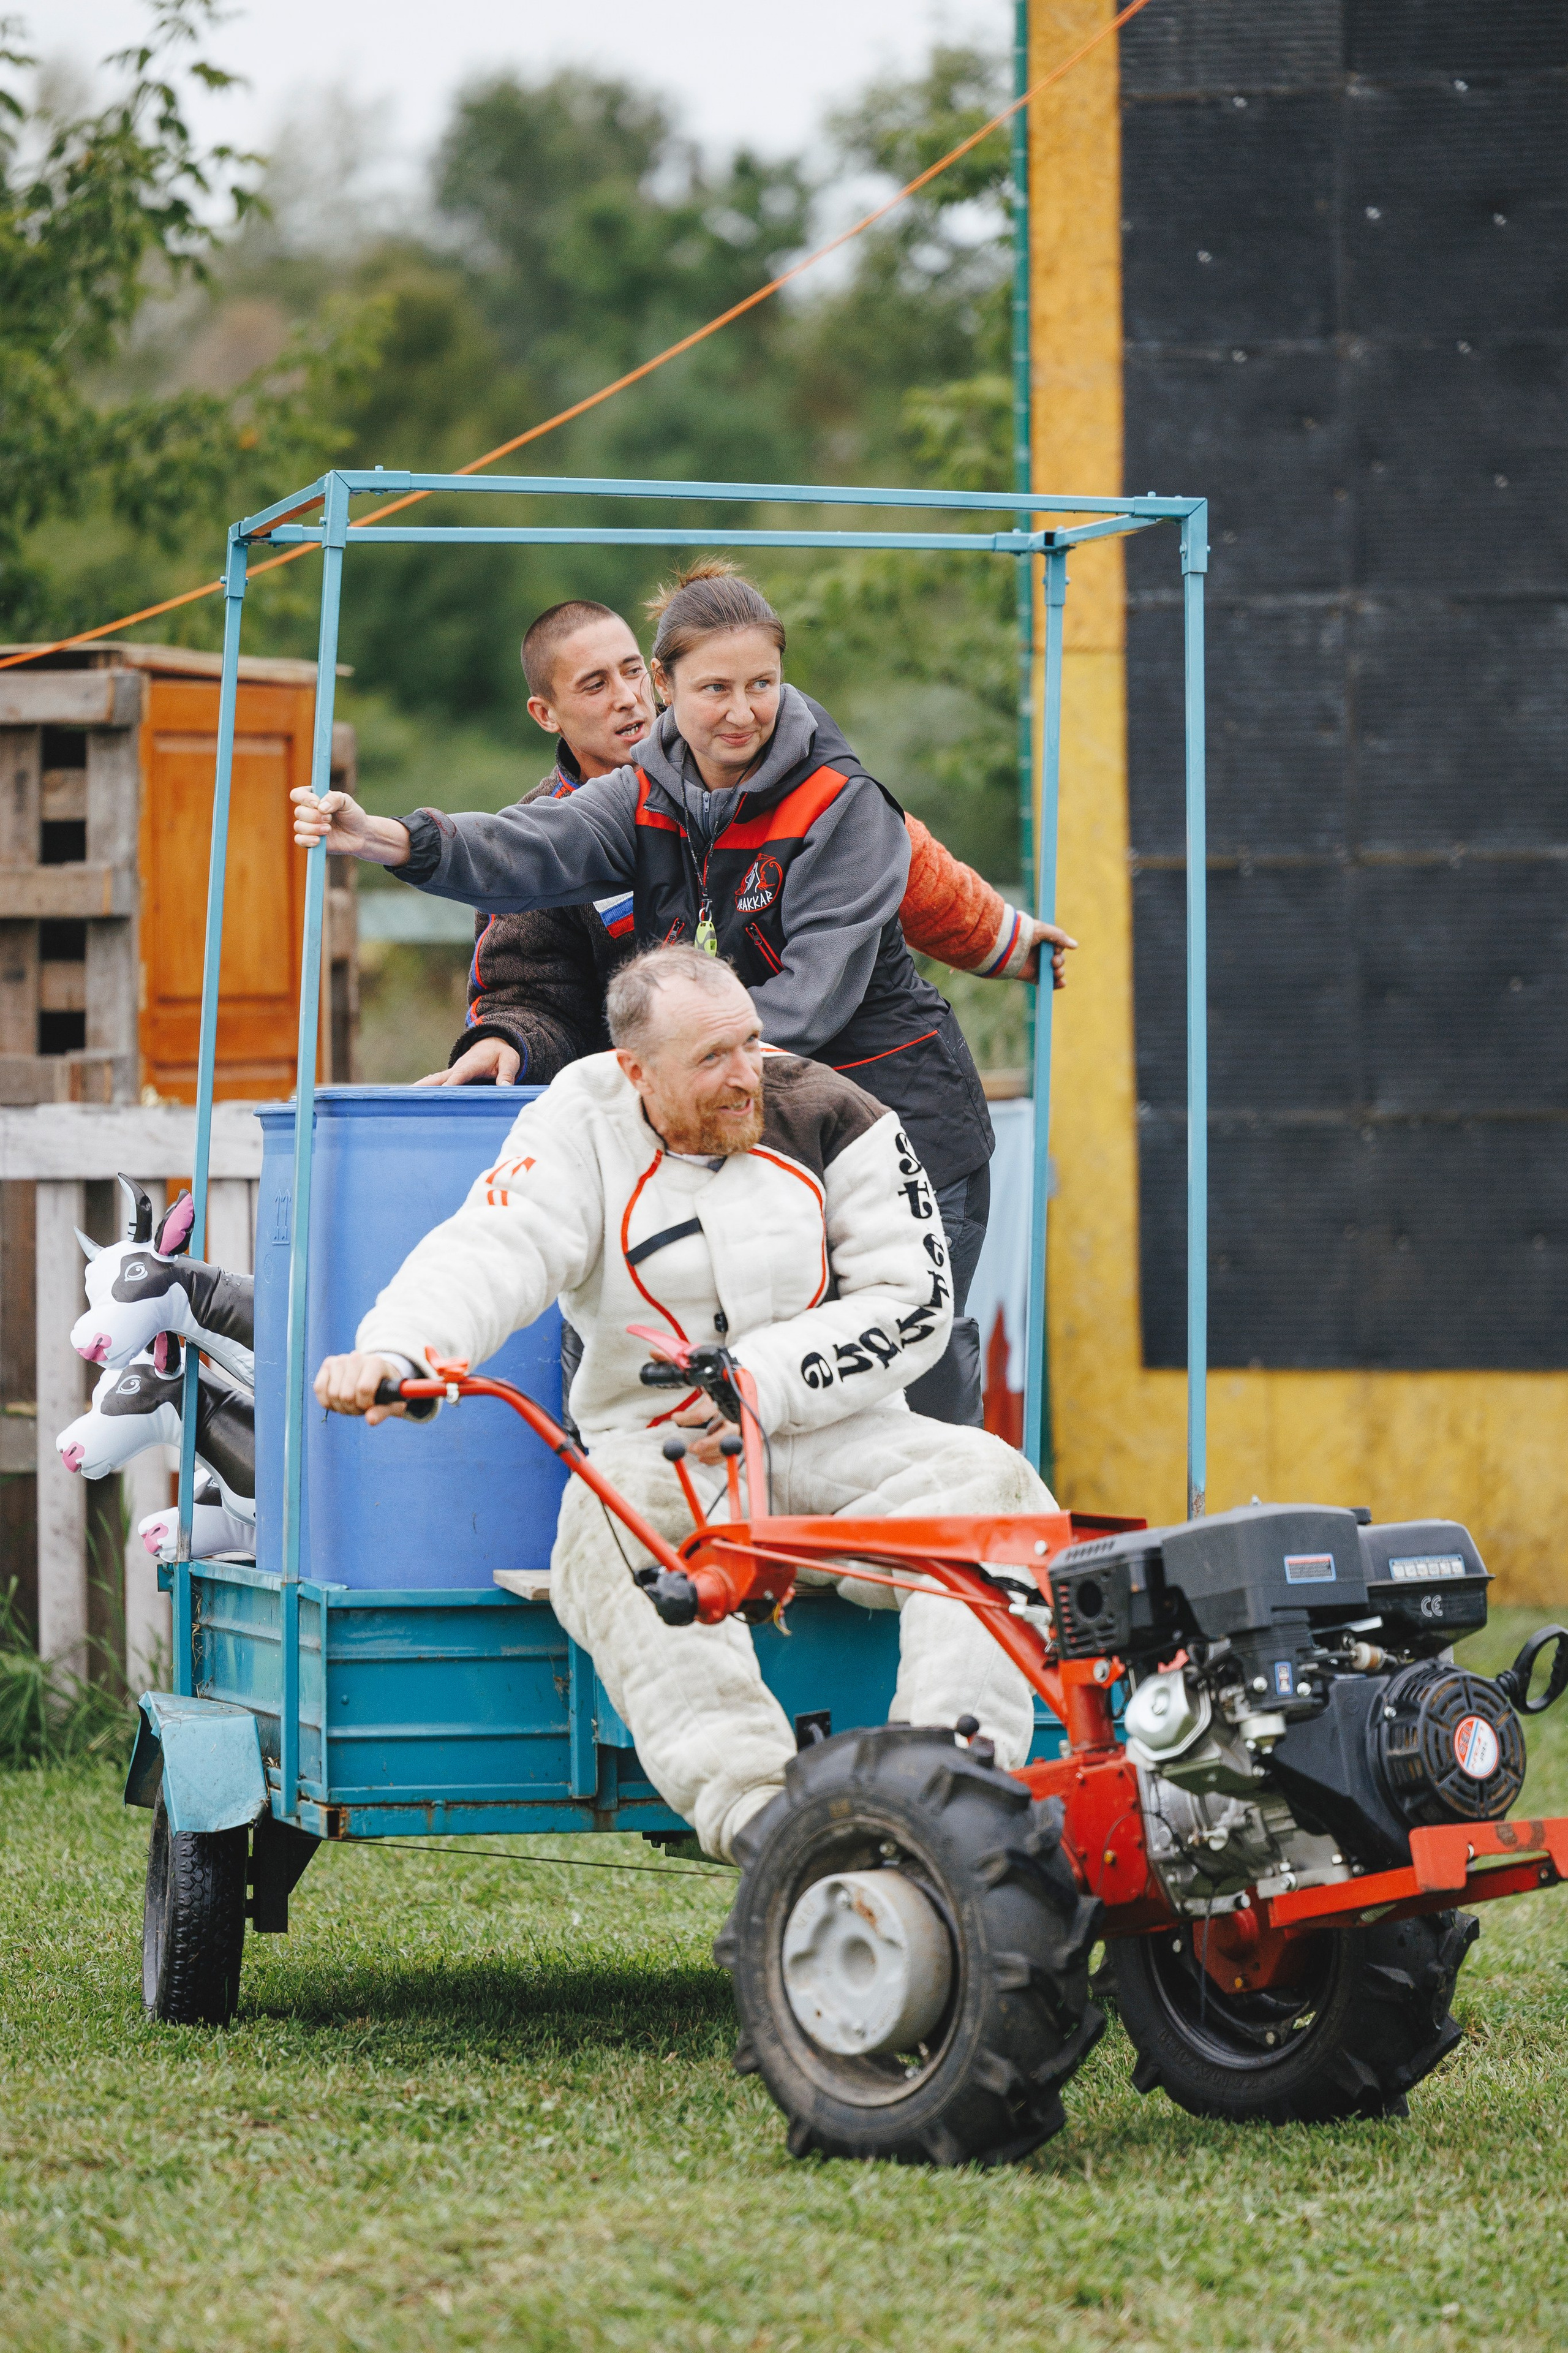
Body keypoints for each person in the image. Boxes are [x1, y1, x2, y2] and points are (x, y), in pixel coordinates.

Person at [314, 946, 1056, 1862]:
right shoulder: (576, 1122)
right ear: (636, 1071)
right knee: (609, 1524)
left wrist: (758, 1380)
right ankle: (760, 1818)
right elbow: (493, 1246)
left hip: (836, 1435)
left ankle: (954, 1794)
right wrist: (399, 1349)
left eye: (751, 1043)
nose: (748, 1076)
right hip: (663, 1452)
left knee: (992, 1484)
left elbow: (915, 1305)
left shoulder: (837, 1112)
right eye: (712, 1060)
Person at [295, 565, 1075, 1425]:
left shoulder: (842, 805)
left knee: (891, 1378)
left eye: (761, 687)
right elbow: (530, 846)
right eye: (714, 690)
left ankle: (920, 1541)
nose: (742, 712)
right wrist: (388, 837)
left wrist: (1012, 938)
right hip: (751, 1119)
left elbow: (823, 990)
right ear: (670, 691)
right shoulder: (640, 797)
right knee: (739, 1388)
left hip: (895, 1121)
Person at [424, 595, 1073, 1093]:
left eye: (629, 675)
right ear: (546, 714)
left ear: (658, 678)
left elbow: (914, 868)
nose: (627, 701)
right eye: (595, 686)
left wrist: (1004, 939)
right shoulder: (537, 837)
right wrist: (508, 1039)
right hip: (644, 1110)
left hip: (793, 1090)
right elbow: (527, 992)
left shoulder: (779, 780)